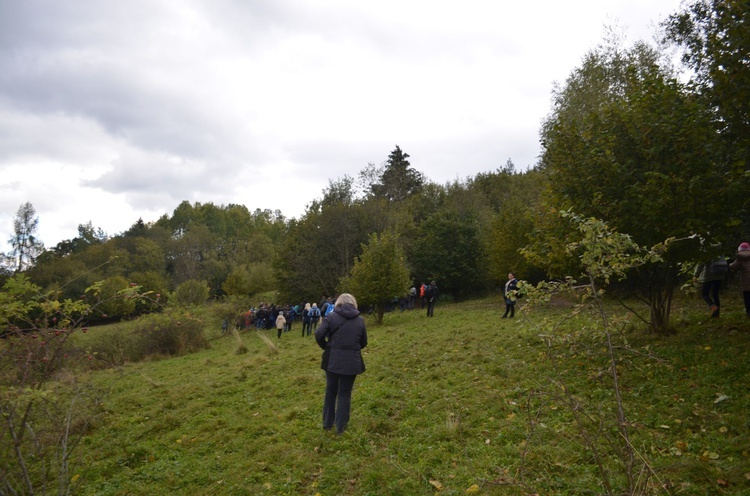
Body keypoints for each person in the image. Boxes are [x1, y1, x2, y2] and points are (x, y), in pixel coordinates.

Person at [314, 293, 367, 435]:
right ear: (353, 304)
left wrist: (327, 346)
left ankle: (327, 424)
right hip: (351, 361)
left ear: (338, 303)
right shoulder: (360, 321)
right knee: (345, 393)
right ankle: (340, 428)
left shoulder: (331, 317)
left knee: (330, 391)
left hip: (332, 359)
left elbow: (319, 333)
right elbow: (364, 342)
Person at [730, 242, 750, 318]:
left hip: (746, 281)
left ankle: (748, 312)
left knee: (747, 297)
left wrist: (729, 265)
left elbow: (733, 266)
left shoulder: (740, 257)